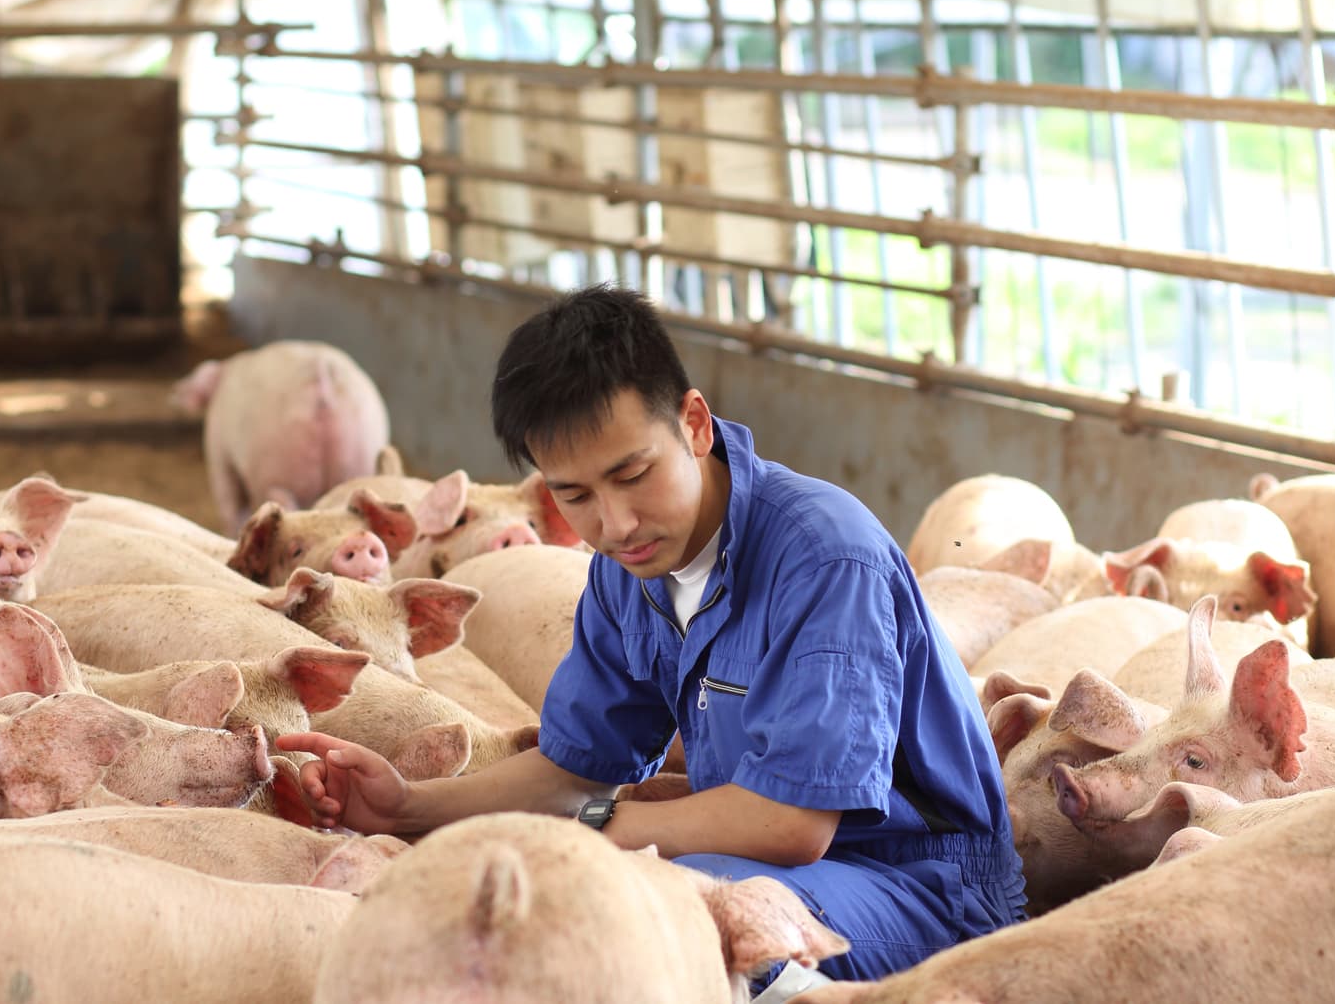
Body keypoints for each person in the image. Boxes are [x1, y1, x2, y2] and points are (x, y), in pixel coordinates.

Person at [280, 284, 1026, 997]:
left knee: (680, 915)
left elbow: (792, 823)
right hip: (754, 865)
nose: (616, 522)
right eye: (574, 496)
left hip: (919, 887)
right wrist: (407, 806)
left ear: (694, 424)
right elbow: (574, 769)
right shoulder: (625, 571)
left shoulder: (824, 558)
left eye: (632, 473)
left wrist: (606, 829)